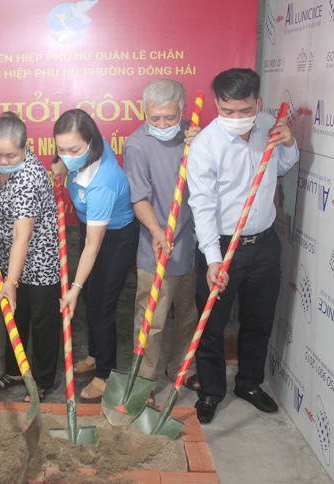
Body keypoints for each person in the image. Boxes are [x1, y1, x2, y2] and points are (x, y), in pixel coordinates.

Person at [186, 68, 299, 423]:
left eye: (245, 110)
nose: (236, 118)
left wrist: (289, 143)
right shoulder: (205, 146)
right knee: (211, 325)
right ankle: (210, 391)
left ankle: (249, 384)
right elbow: (202, 207)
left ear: (258, 103)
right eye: (227, 110)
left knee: (258, 320)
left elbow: (283, 167)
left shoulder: (269, 126)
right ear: (217, 104)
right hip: (220, 247)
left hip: (264, 244)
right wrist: (213, 259)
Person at [0, 112, 62, 402]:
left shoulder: (29, 178)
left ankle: (42, 381)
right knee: (13, 315)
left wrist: (11, 281)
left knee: (42, 320)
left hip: (39, 258)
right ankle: (13, 371)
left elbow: (23, 236)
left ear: (25, 148)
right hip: (6, 253)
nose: (3, 160)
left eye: (11, 155)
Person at [51, 109, 139, 402]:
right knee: (91, 296)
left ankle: (105, 372)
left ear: (91, 143)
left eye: (74, 150)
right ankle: (94, 355)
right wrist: (62, 165)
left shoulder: (104, 182)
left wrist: (73, 289)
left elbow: (93, 245)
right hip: (90, 228)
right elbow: (65, 159)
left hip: (115, 238)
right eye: (61, 149)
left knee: (101, 304)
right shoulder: (86, 151)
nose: (67, 156)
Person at [122, 79, 201, 406]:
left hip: (189, 244)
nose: (163, 124)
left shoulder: (195, 135)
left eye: (170, 117)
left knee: (187, 314)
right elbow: (138, 197)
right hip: (157, 246)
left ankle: (182, 367)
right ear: (145, 112)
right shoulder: (137, 145)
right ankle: (144, 381)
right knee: (151, 322)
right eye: (154, 118)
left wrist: (203, 146)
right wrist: (156, 231)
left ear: (182, 110)